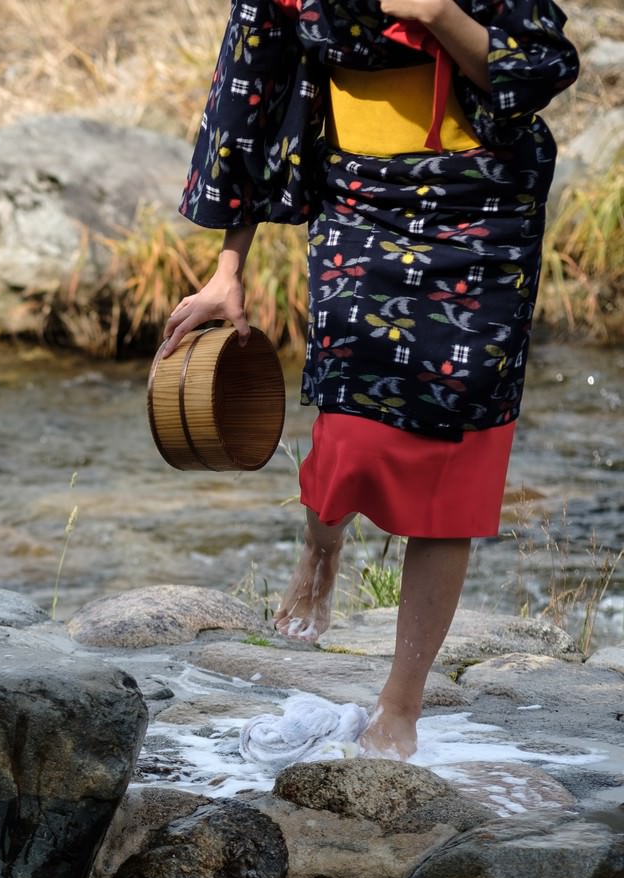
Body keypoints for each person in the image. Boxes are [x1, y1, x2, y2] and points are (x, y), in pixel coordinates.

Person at [160, 0, 579, 758]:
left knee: (455, 468)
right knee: (349, 433)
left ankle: (402, 705)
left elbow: (541, 67)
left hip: (484, 208)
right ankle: (321, 547)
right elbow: (246, 98)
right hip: (362, 202)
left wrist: (443, 12)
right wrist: (229, 269)